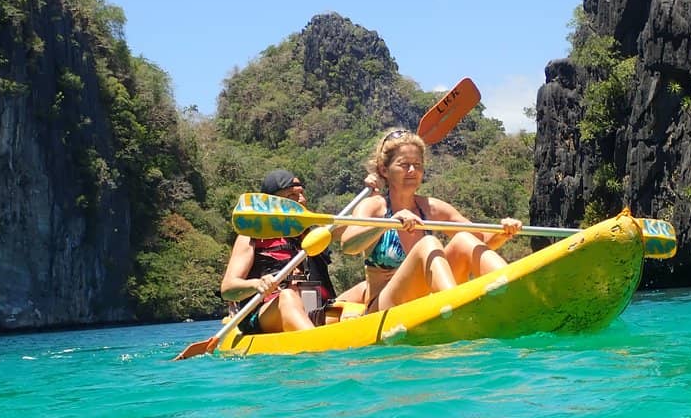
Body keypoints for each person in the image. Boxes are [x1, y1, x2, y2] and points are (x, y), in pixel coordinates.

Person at [338, 129, 522, 312]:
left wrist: (504, 232)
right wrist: (389, 222)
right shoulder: (373, 206)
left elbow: (481, 240)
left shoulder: (431, 207)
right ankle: (458, 310)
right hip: (382, 308)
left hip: (427, 301)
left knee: (463, 239)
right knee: (428, 244)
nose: (412, 170)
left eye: (417, 165)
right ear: (384, 169)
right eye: (404, 165)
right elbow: (348, 245)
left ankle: (516, 293)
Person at [220, 169, 336, 334]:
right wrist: (256, 284)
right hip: (266, 313)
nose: (302, 200)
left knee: (359, 294)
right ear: (273, 203)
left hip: (313, 308)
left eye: (302, 194)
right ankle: (318, 347)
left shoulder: (313, 236)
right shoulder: (251, 236)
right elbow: (228, 289)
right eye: (292, 196)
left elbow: (348, 235)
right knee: (287, 297)